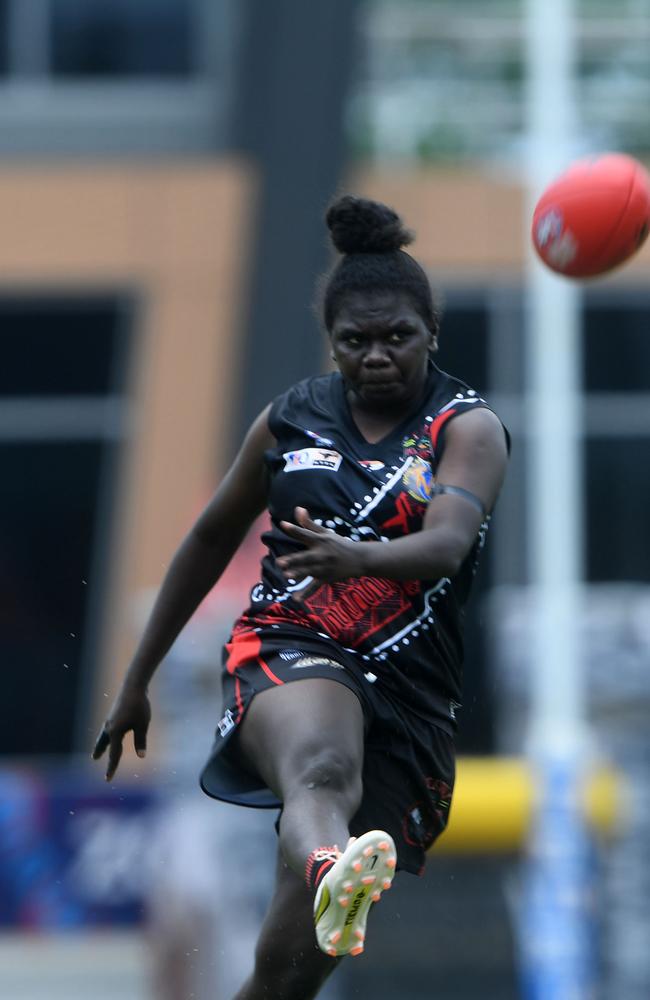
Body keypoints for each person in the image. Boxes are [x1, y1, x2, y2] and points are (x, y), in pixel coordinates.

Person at [93, 195, 509, 1000]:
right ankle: (330, 861)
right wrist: (137, 678)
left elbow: (448, 545)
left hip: (412, 695)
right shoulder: (292, 420)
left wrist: (358, 557)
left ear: (432, 334)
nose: (378, 356)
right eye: (356, 342)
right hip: (291, 649)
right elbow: (209, 540)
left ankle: (330, 879)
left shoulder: (467, 427)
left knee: (284, 976)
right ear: (332, 344)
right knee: (321, 767)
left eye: (398, 337)